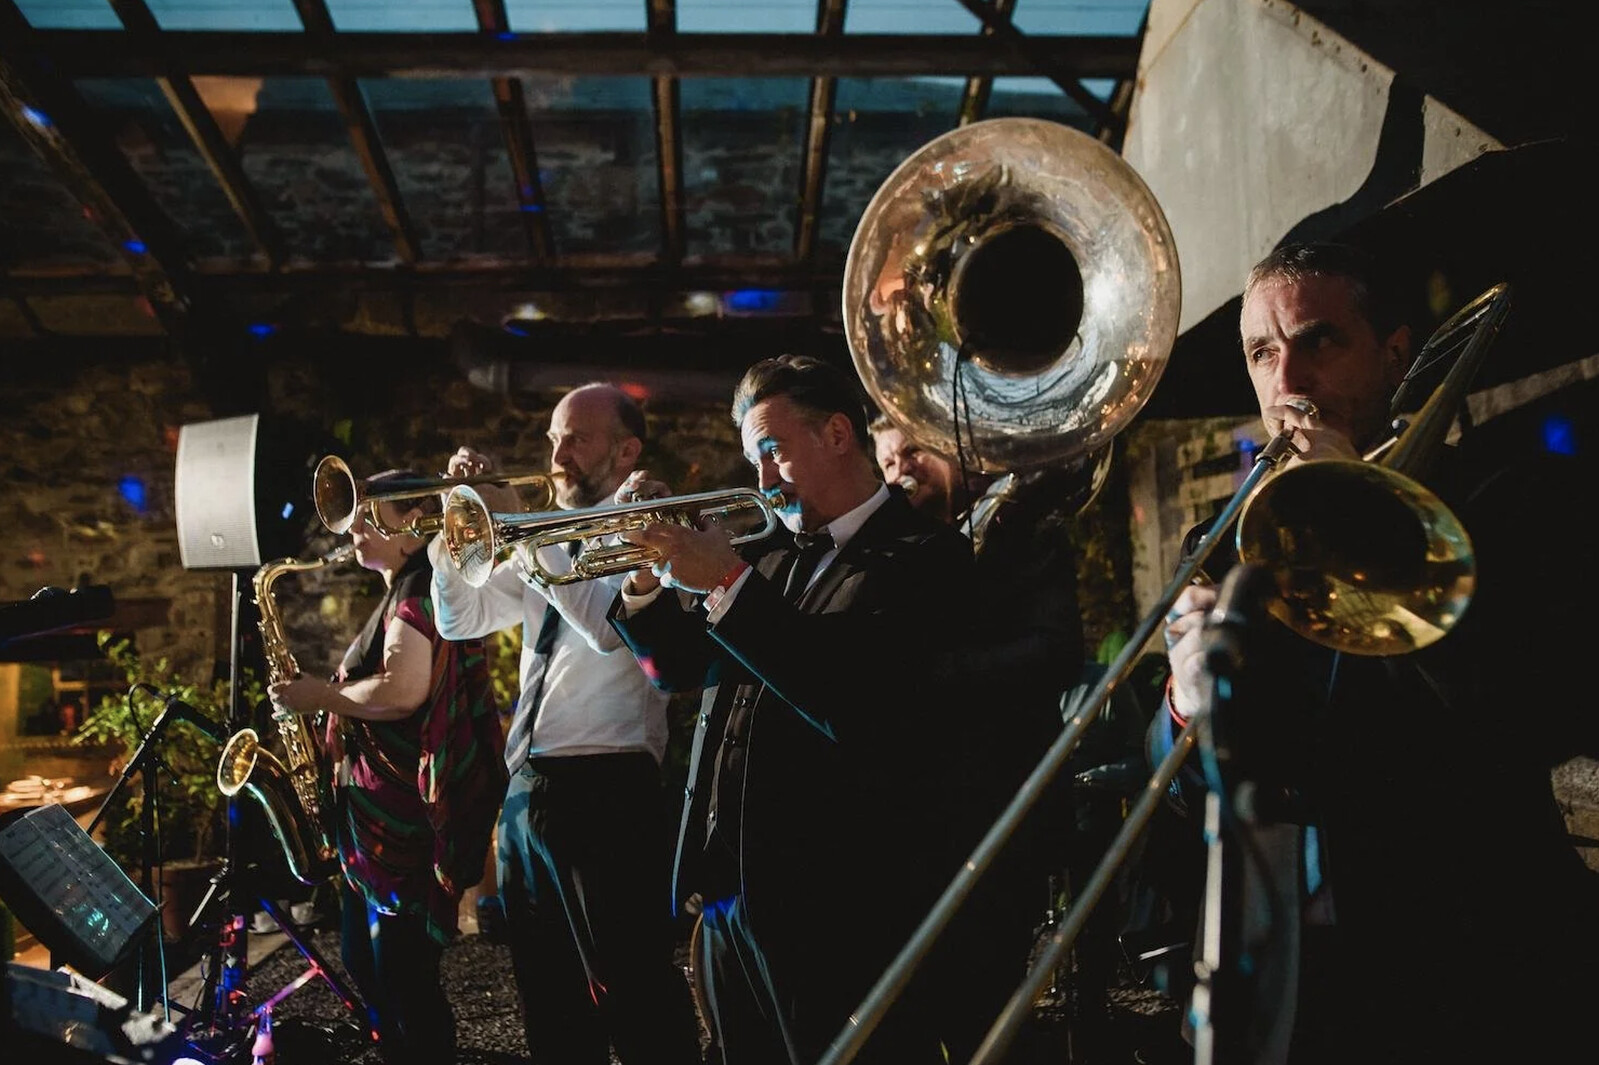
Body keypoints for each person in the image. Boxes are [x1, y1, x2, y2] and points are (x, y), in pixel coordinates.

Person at [1151, 241, 1599, 1063]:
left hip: (1475, 966)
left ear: (1393, 354)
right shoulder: (1219, 541)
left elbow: (1536, 707)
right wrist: (1181, 702)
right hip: (1287, 983)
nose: (1286, 380)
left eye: (1317, 340)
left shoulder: (1509, 496)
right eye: (1261, 351)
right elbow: (1174, 776)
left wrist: (1362, 513)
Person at [607, 354, 980, 1064]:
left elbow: (855, 699)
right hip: (725, 896)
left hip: (834, 904)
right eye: (754, 459)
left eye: (772, 451)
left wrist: (723, 580)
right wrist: (642, 581)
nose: (761, 480)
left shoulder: (925, 556)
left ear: (838, 434)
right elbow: (675, 670)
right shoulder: (767, 552)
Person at [427, 383, 702, 1065]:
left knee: (633, 987)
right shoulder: (541, 544)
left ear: (626, 447)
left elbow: (609, 630)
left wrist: (522, 529)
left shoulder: (642, 519)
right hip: (530, 786)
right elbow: (461, 620)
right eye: (553, 436)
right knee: (547, 999)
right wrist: (452, 531)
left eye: (576, 437)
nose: (558, 451)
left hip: (609, 782)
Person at [267, 470, 506, 1065]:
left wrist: (319, 696)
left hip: (399, 826)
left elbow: (404, 690)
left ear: (415, 524)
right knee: (373, 965)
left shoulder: (419, 587)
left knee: (401, 977)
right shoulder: (405, 585)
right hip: (374, 823)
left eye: (373, 515)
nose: (356, 528)